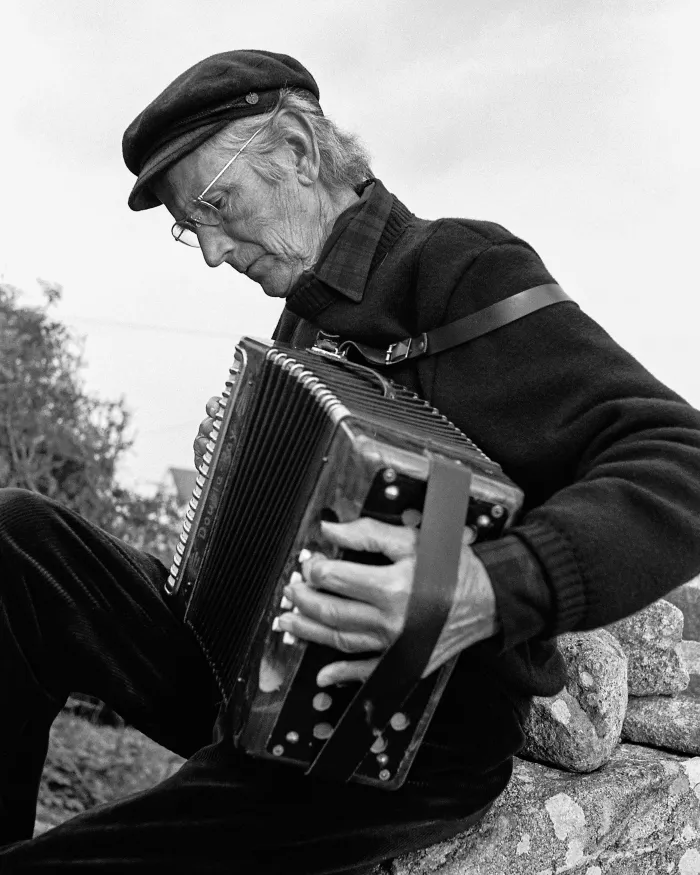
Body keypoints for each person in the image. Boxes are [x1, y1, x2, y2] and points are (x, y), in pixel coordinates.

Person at [0, 48, 699, 873]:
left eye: (219, 206)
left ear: (297, 149)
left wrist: (484, 585)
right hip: (261, 670)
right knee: (17, 537)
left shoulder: (462, 271)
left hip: (404, 724)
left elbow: (680, 459)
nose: (213, 254)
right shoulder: (302, 329)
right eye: (193, 229)